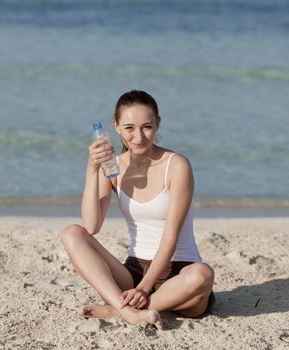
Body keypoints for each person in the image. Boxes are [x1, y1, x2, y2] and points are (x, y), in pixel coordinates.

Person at [60, 90, 215, 330]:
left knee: (202, 275)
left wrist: (144, 288)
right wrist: (92, 169)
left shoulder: (176, 165)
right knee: (73, 233)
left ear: (158, 124)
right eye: (129, 128)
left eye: (147, 127)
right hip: (133, 271)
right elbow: (92, 226)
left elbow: (171, 235)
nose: (139, 137)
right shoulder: (113, 167)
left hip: (178, 272)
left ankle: (118, 309)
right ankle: (130, 313)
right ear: (116, 126)